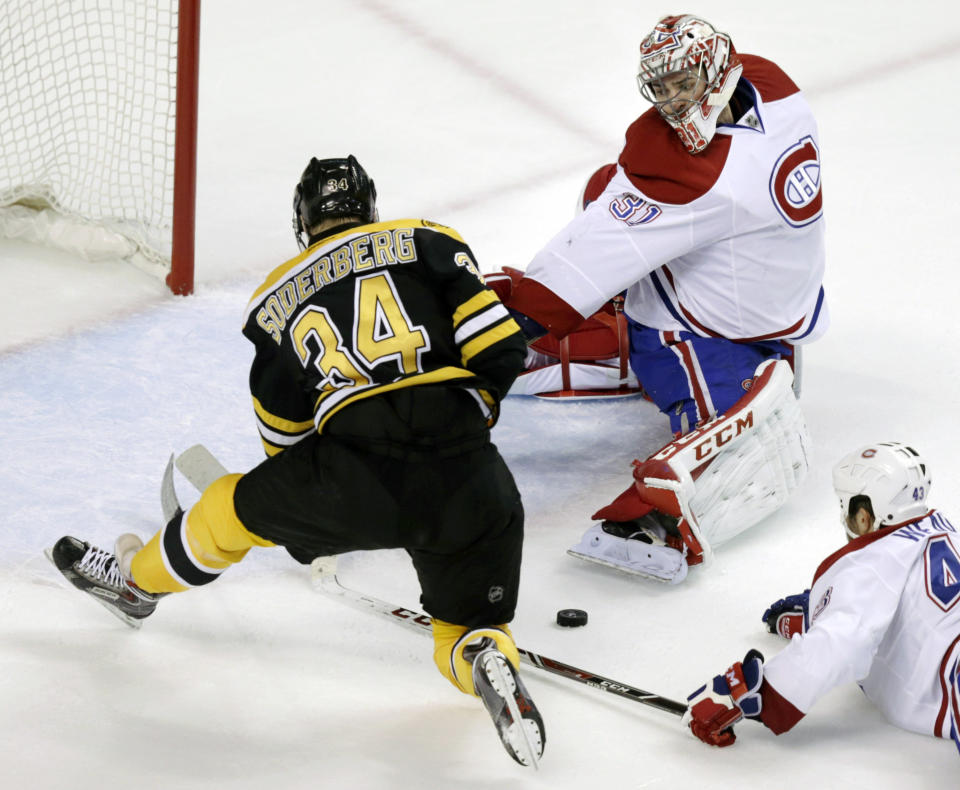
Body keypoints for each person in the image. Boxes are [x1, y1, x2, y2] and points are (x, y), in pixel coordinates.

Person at [47, 155, 545, 768]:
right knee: (463, 624)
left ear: (303, 220)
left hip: (351, 476)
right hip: (472, 474)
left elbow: (284, 439)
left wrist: (304, 515)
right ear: (370, 208)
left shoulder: (275, 297)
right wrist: (466, 416)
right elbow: (502, 345)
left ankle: (136, 584)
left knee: (228, 507)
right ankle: (482, 658)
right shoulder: (430, 241)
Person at [492, 13, 827, 581]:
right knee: (736, 430)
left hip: (759, 305)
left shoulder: (764, 97)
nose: (671, 103)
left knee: (610, 195)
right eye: (661, 89)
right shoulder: (768, 88)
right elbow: (594, 244)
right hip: (693, 327)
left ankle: (597, 328)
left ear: (720, 70)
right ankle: (648, 522)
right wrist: (519, 319)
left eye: (682, 84)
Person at [684, 442, 960, 758]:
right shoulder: (944, 530)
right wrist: (824, 612)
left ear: (864, 516)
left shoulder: (869, 566)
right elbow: (911, 606)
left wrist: (755, 690)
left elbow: (838, 643)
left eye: (847, 506)